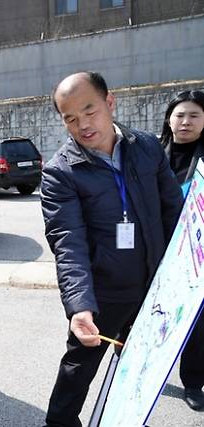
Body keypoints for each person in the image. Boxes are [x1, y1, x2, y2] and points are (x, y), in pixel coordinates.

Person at [41, 71, 183, 427]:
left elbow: (172, 212)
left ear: (110, 102)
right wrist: (79, 307)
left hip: (153, 286)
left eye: (89, 111)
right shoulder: (61, 171)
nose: (82, 125)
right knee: (78, 369)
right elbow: (67, 242)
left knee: (137, 364)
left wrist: (180, 273)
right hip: (101, 293)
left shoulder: (146, 146)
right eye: (70, 118)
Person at [159, 89, 204, 412]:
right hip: (154, 253)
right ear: (169, 119)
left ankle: (193, 382)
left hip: (196, 256)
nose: (185, 121)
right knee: (145, 318)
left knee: (196, 325)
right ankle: (139, 370)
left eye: (194, 115)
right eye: (180, 114)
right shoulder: (151, 155)